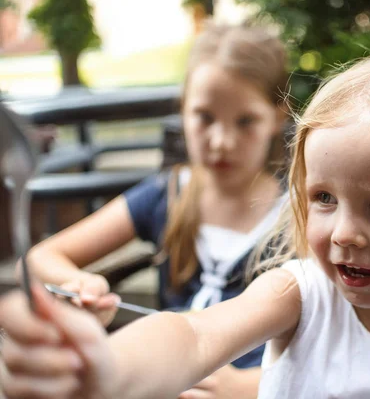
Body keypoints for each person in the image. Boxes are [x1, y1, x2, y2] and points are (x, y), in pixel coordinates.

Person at [0, 50, 370, 399]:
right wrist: (106, 369)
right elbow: (190, 335)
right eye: (323, 197)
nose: (343, 232)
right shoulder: (300, 295)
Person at [8, 23, 290, 399]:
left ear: (278, 116)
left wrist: (247, 386)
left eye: (245, 121)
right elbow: (39, 258)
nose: (221, 141)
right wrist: (81, 286)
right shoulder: (166, 194)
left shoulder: (299, 213)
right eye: (205, 117)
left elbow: (338, 336)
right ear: (183, 109)